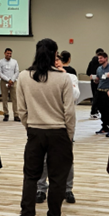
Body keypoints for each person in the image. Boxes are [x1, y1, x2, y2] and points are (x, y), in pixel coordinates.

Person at [10, 38, 76, 216]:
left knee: (31, 176)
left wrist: (30, 126)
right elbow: (69, 113)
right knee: (58, 179)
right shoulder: (64, 78)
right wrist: (69, 135)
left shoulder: (23, 76)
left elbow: (21, 109)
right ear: (56, 55)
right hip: (59, 133)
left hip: (35, 132)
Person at [36, 53, 79, 204]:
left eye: (58, 60)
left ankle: (68, 189)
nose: (57, 63)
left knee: (67, 159)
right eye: (54, 60)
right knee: (44, 159)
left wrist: (65, 77)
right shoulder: (45, 77)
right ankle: (41, 189)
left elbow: (75, 96)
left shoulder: (71, 77)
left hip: (65, 123)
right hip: (47, 122)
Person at [93, 53, 109, 135]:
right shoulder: (99, 69)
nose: (99, 60)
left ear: (106, 58)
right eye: (98, 58)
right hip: (99, 90)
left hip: (107, 92)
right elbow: (98, 80)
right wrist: (95, 79)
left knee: (107, 110)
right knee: (100, 109)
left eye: (101, 58)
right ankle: (104, 126)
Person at [0, 48, 20, 121]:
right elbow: (0, 72)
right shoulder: (0, 62)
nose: (9, 55)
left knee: (15, 98)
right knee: (4, 98)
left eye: (10, 53)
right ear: (4, 53)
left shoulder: (14, 61)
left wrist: (12, 80)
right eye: (8, 53)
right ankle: (6, 114)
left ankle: (16, 114)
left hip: (13, 81)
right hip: (4, 81)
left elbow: (16, 71)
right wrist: (8, 80)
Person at [87, 48, 105, 119]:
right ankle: (94, 111)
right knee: (98, 96)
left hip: (92, 81)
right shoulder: (101, 63)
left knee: (94, 96)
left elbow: (87, 72)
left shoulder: (91, 62)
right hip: (100, 81)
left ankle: (95, 111)